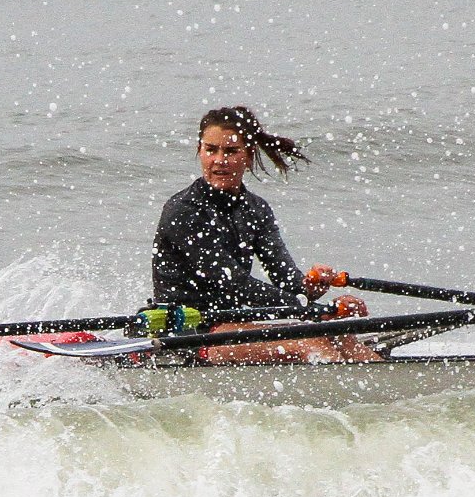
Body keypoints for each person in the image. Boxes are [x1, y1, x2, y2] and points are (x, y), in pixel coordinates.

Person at [152, 107, 377, 363]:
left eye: (231, 151)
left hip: (231, 324)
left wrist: (310, 287)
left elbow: (288, 281)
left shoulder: (255, 209)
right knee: (309, 339)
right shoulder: (183, 211)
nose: (219, 160)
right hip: (187, 335)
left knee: (339, 334)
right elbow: (235, 285)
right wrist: (315, 310)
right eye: (211, 150)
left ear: (248, 156)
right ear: (200, 151)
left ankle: (394, 399)